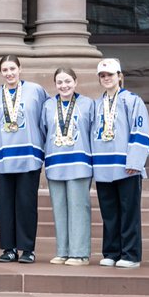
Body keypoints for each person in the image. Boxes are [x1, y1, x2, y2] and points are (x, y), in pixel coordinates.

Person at [0, 55, 48, 264]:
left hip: (29, 156)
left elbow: (47, 117)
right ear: (1, 72)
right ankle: (9, 248)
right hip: (2, 157)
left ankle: (27, 249)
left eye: (12, 68)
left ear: (20, 68)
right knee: (5, 204)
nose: (9, 73)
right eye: (5, 69)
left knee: (26, 203)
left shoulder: (36, 91)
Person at [92, 58, 149, 269]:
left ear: (119, 76)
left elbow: (140, 131)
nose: (106, 78)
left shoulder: (133, 101)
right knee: (109, 212)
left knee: (128, 211)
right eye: (103, 76)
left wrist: (135, 160)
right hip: (103, 166)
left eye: (110, 75)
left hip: (126, 166)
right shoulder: (97, 104)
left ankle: (131, 254)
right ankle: (111, 251)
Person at [41, 66, 95, 266]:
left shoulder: (88, 104)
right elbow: (43, 131)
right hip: (55, 164)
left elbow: (92, 132)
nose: (64, 86)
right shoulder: (47, 106)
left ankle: (79, 253)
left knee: (78, 207)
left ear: (76, 82)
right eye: (60, 82)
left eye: (67, 81)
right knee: (60, 208)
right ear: (55, 85)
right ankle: (63, 251)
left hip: (79, 163)